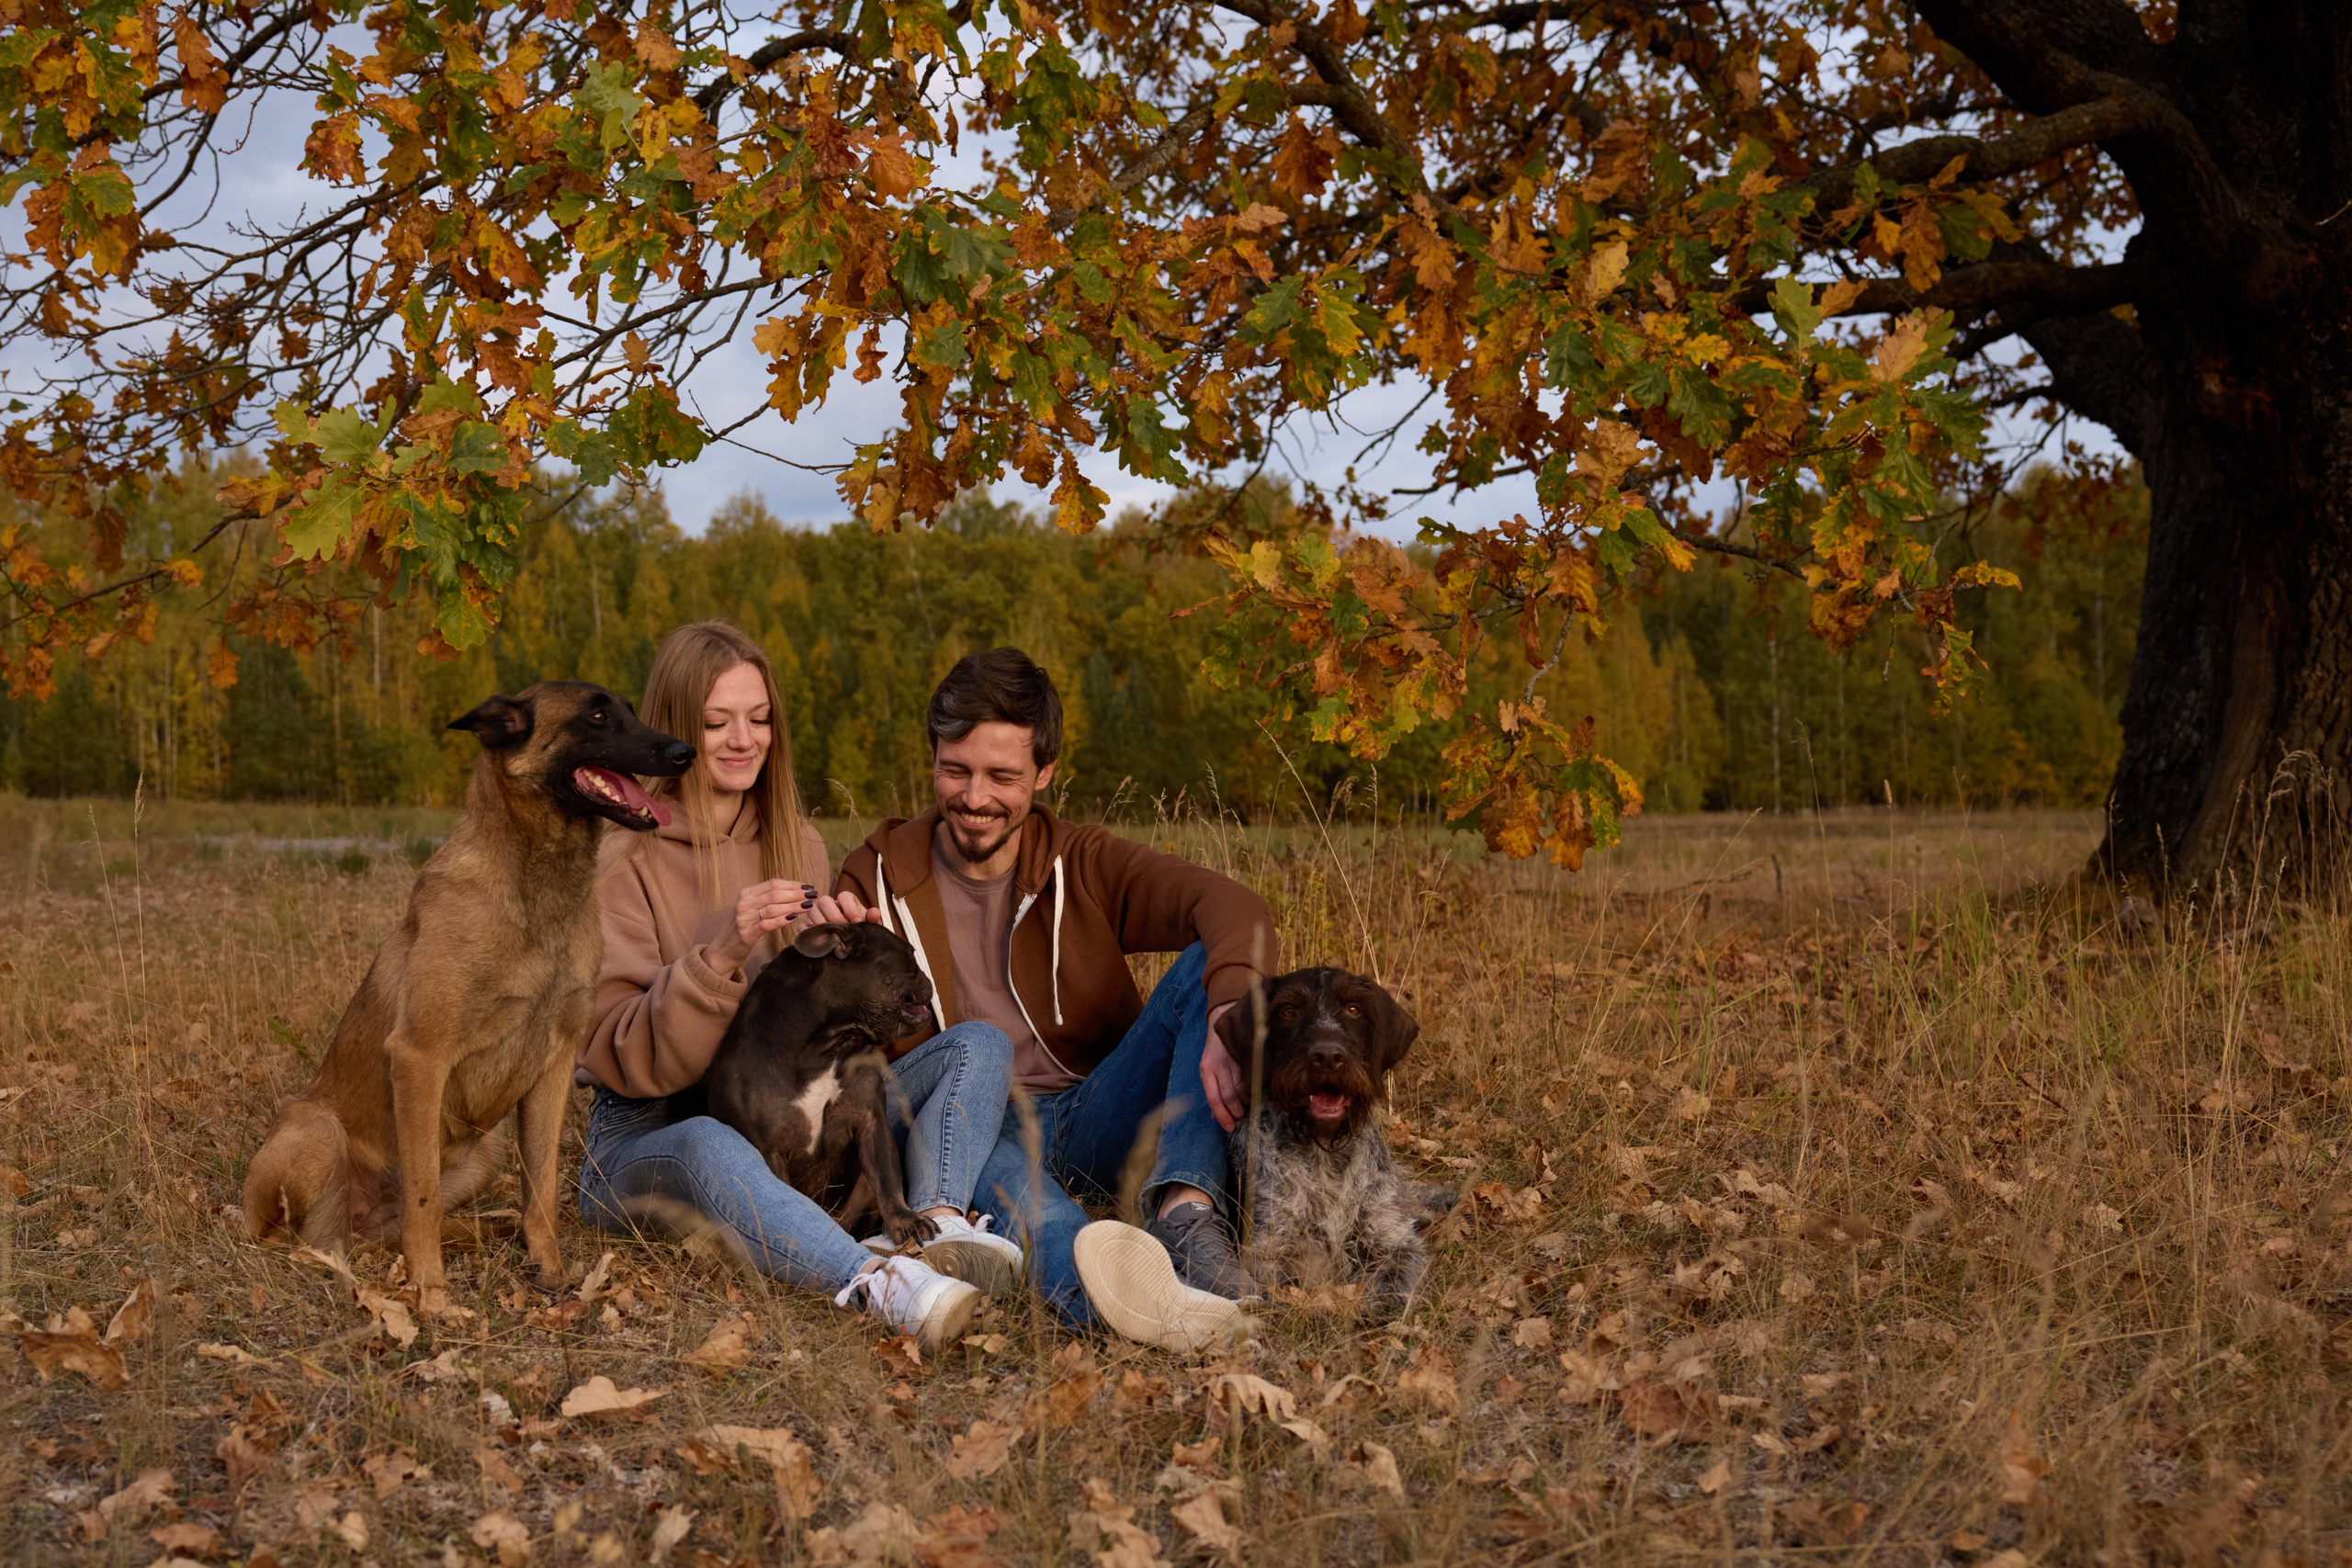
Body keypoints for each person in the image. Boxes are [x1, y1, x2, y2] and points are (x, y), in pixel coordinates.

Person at [572, 621, 1023, 1354]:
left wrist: (848, 965)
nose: (743, 739)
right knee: (710, 1142)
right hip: (652, 1134)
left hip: (789, 1116)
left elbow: (811, 1027)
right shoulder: (621, 857)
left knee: (979, 1045)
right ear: (675, 728)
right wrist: (721, 954)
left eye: (759, 718)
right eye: (716, 722)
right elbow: (618, 1055)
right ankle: (881, 1282)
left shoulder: (797, 841)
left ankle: (934, 1226)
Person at [813, 648, 1274, 1350]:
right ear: (932, 756)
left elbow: (1235, 906)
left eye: (1003, 776)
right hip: (970, 1124)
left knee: (1211, 967)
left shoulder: (1081, 861)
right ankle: (1115, 1303)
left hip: (1096, 1108)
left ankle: (1185, 1213)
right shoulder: (876, 876)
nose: (975, 797)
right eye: (956, 769)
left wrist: (1227, 1012)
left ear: (1045, 771)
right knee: (1048, 1216)